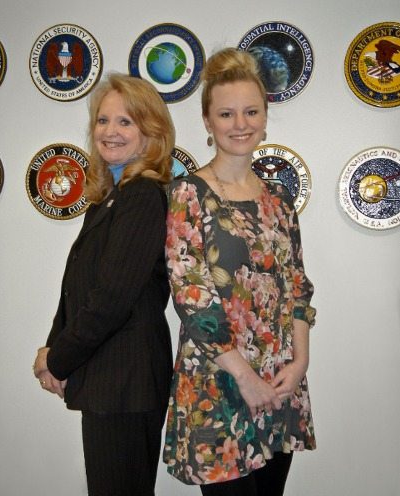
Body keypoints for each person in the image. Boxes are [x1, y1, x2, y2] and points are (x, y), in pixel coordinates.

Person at [162, 48, 316, 496]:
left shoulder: (279, 201)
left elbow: (298, 288)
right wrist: (245, 379)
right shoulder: (188, 193)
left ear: (265, 118)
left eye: (251, 111)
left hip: (279, 383)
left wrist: (300, 362)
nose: (240, 124)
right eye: (226, 113)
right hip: (219, 386)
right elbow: (192, 296)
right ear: (207, 122)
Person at [33, 73, 175, 496]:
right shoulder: (110, 197)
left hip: (125, 384)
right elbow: (77, 288)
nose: (110, 131)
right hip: (109, 382)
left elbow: (111, 299)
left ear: (151, 133)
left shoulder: (142, 196)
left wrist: (58, 359)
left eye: (125, 121)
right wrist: (53, 347)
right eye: (103, 120)